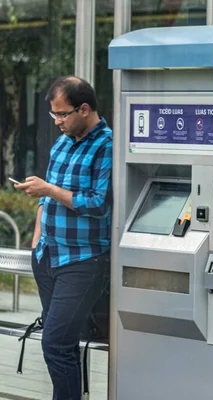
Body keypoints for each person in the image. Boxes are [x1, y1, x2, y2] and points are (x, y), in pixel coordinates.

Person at [13, 76, 112, 400]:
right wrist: (36, 242)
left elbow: (98, 203)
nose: (56, 121)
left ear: (84, 109)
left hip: (83, 260)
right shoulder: (62, 143)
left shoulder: (107, 145)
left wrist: (49, 189)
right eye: (53, 115)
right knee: (62, 344)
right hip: (49, 256)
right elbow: (48, 198)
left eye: (62, 114)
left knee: (55, 342)